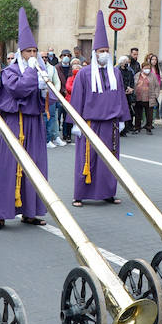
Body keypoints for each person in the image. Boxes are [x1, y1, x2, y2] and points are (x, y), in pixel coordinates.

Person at [0, 9, 49, 230]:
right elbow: (19, 90)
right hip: (15, 123)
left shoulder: (39, 70)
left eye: (34, 51)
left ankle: (31, 211)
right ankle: (0, 214)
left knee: (36, 165)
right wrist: (34, 75)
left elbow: (46, 95)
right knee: (7, 166)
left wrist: (45, 85)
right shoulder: (9, 71)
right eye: (28, 51)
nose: (32, 55)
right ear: (21, 52)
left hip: (34, 123)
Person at [70, 12, 130, 207]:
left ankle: (108, 193)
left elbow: (120, 96)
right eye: (100, 50)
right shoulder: (84, 74)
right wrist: (76, 123)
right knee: (87, 159)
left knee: (109, 161)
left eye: (106, 50)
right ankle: (80, 194)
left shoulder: (115, 73)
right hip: (89, 123)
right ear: (94, 53)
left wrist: (122, 119)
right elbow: (77, 98)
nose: (103, 53)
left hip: (111, 124)